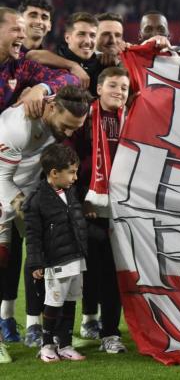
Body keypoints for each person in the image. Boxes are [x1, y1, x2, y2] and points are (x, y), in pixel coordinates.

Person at [0, 85, 91, 360]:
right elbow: (2, 178)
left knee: (45, 258)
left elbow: (65, 75)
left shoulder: (52, 105)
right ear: (51, 109)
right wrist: (28, 212)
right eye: (66, 126)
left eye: (76, 127)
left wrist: (41, 87)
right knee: (2, 259)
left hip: (26, 190)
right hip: (4, 188)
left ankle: (38, 329)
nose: (69, 133)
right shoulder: (16, 128)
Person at [68, 67, 129, 353]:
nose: (119, 92)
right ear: (100, 88)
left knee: (113, 274)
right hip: (90, 205)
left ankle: (110, 333)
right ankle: (73, 328)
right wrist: (81, 200)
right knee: (91, 272)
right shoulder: (85, 118)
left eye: (125, 88)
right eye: (113, 86)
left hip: (123, 206)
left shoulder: (132, 117)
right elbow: (72, 160)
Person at [25, 143, 88, 362]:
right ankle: (47, 346)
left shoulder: (70, 192)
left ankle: (66, 344)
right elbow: (32, 236)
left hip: (76, 257)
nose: (75, 177)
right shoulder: (36, 200)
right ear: (54, 173)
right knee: (54, 302)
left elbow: (76, 221)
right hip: (56, 262)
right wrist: (35, 263)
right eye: (71, 172)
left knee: (71, 301)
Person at [0, 7, 80, 116]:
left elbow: (72, 79)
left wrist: (41, 88)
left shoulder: (21, 65)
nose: (23, 36)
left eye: (23, 30)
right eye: (15, 29)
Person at [17, 0, 91, 90]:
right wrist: (73, 65)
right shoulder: (6, 53)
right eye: (33, 15)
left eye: (44, 17)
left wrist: (42, 89)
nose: (39, 21)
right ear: (20, 20)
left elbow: (71, 79)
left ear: (49, 26)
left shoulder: (55, 63)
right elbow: (32, 55)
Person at [56, 12, 104, 97]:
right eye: (81, 34)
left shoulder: (103, 66)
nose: (87, 41)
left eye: (92, 35)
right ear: (67, 38)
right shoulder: (52, 65)